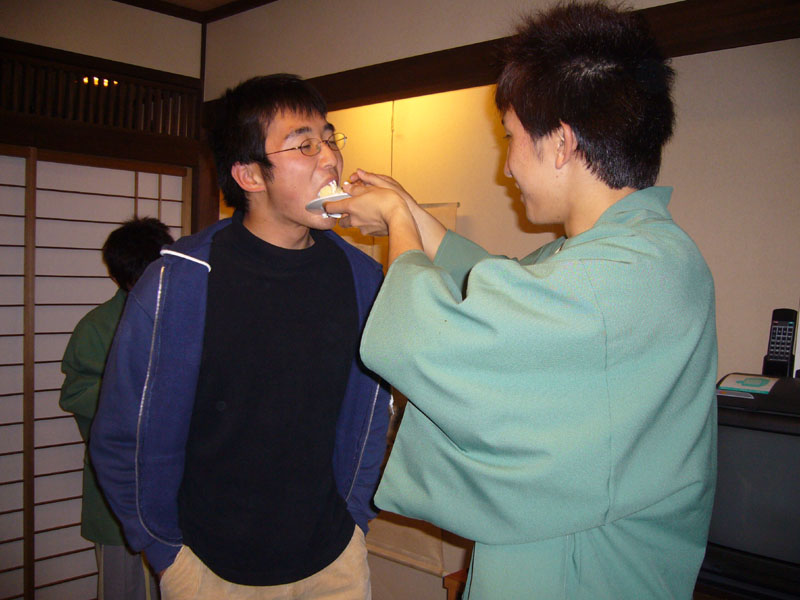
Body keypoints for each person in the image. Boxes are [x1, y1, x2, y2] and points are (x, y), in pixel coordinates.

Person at [326, 2, 718, 598]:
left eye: (510, 138)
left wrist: (398, 228)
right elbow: (506, 290)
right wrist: (408, 211)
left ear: (561, 143)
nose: (507, 166)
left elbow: (429, 338)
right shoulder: (637, 254)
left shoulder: (624, 273)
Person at [89, 74, 391, 600]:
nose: (330, 158)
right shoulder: (179, 282)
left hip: (334, 560)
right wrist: (165, 552)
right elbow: (122, 434)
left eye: (329, 137)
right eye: (304, 144)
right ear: (250, 174)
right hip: (208, 569)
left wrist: (355, 520)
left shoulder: (362, 279)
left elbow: (371, 412)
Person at [60, 216, 174, 600]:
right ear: (118, 277)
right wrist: (139, 398)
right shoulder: (96, 327)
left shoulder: (183, 314)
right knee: (123, 588)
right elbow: (78, 393)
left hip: (176, 482)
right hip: (120, 479)